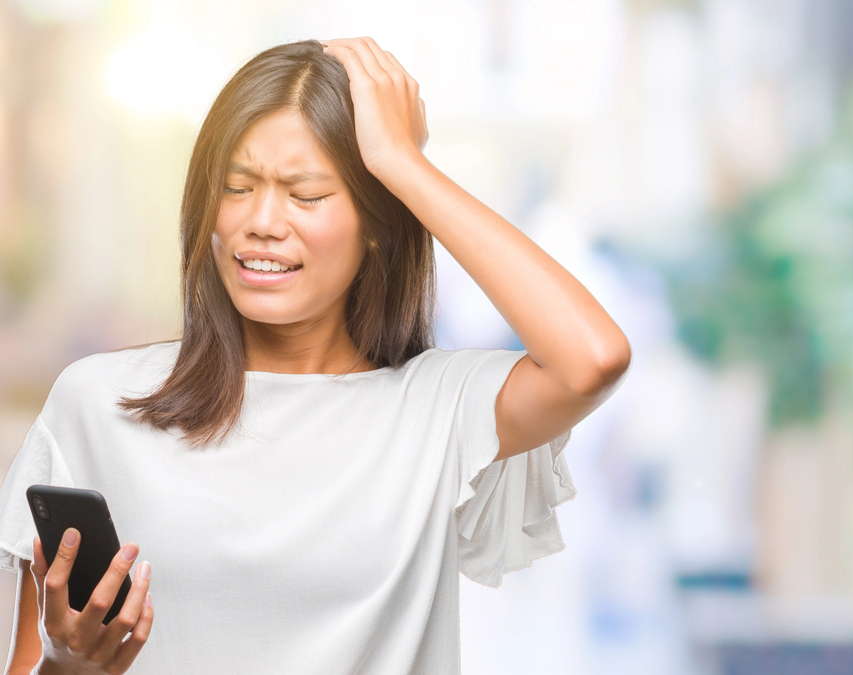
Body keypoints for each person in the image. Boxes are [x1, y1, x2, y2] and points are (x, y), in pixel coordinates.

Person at [0, 37, 631, 674]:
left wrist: (403, 162)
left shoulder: (438, 407)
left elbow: (594, 358)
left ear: (379, 222)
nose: (262, 221)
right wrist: (71, 665)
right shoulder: (98, 404)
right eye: (236, 187)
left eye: (305, 195)